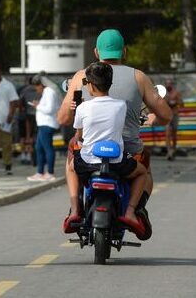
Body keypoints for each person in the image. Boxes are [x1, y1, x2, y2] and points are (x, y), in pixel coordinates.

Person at [57, 29, 173, 240]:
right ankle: (135, 210)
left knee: (72, 155)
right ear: (125, 52)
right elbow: (166, 115)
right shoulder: (138, 77)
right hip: (124, 151)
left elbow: (63, 119)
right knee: (144, 168)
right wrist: (155, 119)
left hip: (89, 151)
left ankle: (75, 209)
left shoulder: (81, 77)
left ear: (95, 52)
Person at [73, 62, 148, 236]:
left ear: (90, 85)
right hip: (116, 162)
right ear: (110, 84)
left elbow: (78, 136)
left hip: (88, 163)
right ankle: (130, 212)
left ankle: (75, 210)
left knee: (70, 167)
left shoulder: (83, 107)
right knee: (142, 172)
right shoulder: (121, 105)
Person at [27, 75, 60, 182]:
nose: (36, 89)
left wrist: (38, 106)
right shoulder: (47, 92)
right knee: (39, 148)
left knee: (47, 148)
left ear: (41, 85)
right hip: (43, 124)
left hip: (47, 124)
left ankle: (50, 172)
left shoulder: (49, 92)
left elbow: (50, 109)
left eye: (37, 86)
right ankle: (40, 172)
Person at [18, 77, 39, 165]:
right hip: (38, 116)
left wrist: (22, 110)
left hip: (26, 116)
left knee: (24, 136)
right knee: (33, 136)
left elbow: (20, 103)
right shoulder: (40, 90)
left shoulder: (24, 90)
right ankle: (31, 154)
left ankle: (24, 154)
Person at [164, 78, 183, 161]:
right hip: (167, 115)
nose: (168, 85)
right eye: (167, 83)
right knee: (167, 133)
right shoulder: (164, 93)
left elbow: (182, 103)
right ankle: (169, 152)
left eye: (169, 83)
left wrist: (175, 102)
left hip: (174, 115)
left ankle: (174, 149)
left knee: (174, 134)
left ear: (172, 84)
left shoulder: (176, 93)